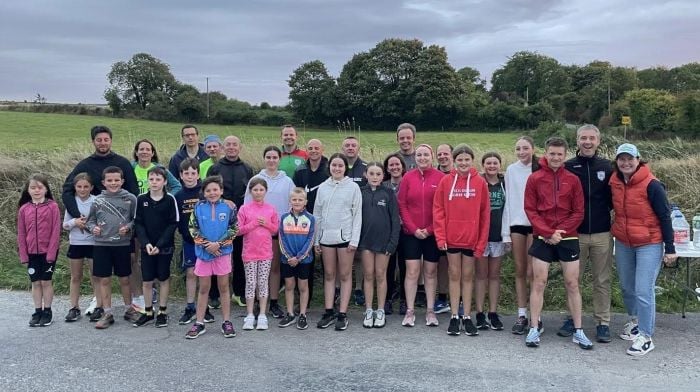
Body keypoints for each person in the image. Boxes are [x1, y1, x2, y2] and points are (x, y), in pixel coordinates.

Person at [61, 126, 140, 320]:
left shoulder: (122, 163)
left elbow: (134, 193)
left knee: (126, 270)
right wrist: (79, 216)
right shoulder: (85, 164)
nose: (102, 143)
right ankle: (103, 307)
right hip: (99, 234)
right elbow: (67, 189)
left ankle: (132, 305)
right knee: (100, 274)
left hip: (121, 230)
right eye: (99, 140)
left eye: (106, 139)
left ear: (111, 141)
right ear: (93, 142)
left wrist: (130, 225)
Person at [523, 137, 592, 350]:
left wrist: (559, 232)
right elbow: (530, 209)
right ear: (546, 153)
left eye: (559, 154)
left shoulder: (572, 179)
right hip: (543, 236)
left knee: (572, 283)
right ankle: (534, 327)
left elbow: (578, 211)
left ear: (564, 155)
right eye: (551, 153)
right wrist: (547, 232)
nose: (555, 157)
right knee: (539, 282)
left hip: (567, 236)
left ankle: (578, 330)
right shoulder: (535, 178)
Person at [609, 143, 677, 356]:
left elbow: (665, 217)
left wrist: (670, 248)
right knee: (628, 287)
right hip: (623, 242)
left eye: (630, 159)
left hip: (649, 243)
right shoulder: (615, 182)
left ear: (639, 160)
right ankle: (636, 321)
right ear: (617, 161)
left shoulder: (652, 184)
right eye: (622, 159)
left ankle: (646, 336)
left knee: (643, 290)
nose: (626, 163)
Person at [560, 124, 614, 343]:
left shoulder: (608, 166)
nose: (588, 142)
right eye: (583, 138)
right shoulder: (568, 166)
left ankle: (602, 322)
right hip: (575, 234)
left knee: (602, 279)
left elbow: (614, 199)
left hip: (602, 232)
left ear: (598, 141)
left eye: (592, 138)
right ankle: (573, 319)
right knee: (573, 279)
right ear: (577, 141)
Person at [433, 145, 490, 336]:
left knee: (467, 276)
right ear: (454, 161)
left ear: (472, 161)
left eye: (467, 159)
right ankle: (454, 316)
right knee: (454, 275)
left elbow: (484, 215)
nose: (463, 163)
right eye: (460, 160)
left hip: (471, 239)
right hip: (451, 238)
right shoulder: (445, 181)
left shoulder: (480, 182)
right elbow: (438, 210)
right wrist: (441, 237)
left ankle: (467, 316)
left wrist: (481, 242)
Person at [243, 146, 295, 319]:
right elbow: (246, 206)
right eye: (268, 157)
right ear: (264, 158)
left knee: (273, 268)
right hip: (255, 232)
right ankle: (257, 302)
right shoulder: (256, 179)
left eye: (275, 157)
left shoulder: (287, 181)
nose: (271, 160)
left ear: (279, 159)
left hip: (276, 230)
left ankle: (273, 301)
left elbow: (292, 204)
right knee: (256, 269)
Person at [185, 176, 239, 339]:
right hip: (204, 253)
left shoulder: (229, 207)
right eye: (208, 190)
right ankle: (199, 323)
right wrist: (208, 245)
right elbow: (193, 228)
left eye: (215, 189)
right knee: (203, 288)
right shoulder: (198, 208)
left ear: (221, 191)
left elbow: (234, 228)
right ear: (204, 193)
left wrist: (219, 245)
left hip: (222, 253)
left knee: (224, 287)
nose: (212, 193)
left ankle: (227, 321)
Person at [314, 153, 363, 331]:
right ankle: (328, 311)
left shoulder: (353, 188)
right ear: (330, 167)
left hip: (346, 239)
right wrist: (316, 240)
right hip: (326, 238)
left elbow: (357, 215)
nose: (337, 168)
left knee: (344, 275)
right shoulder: (323, 188)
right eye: (334, 165)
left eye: (340, 166)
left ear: (345, 168)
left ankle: (342, 313)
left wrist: (354, 241)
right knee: (329, 274)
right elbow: (317, 215)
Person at [398, 144, 444, 327]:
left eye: (426, 154)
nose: (422, 158)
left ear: (431, 156)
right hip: (411, 233)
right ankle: (410, 311)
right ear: (415, 158)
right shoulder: (408, 177)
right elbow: (402, 205)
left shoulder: (441, 178)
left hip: (432, 233)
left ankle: (430, 310)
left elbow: (442, 208)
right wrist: (414, 228)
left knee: (431, 272)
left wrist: (430, 229)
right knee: (412, 272)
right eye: (419, 155)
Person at [85, 166, 137, 330]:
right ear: (103, 182)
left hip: (122, 245)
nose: (113, 183)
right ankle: (107, 313)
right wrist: (93, 228)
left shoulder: (130, 199)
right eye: (110, 180)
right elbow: (90, 221)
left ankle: (129, 309)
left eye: (116, 180)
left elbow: (136, 220)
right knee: (104, 279)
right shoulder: (97, 200)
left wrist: (128, 227)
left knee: (125, 279)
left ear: (122, 181)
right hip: (102, 245)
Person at [208, 136, 254, 308]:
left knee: (240, 256)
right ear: (223, 148)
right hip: (218, 221)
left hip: (240, 222)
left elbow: (250, 195)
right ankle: (214, 294)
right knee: (217, 255)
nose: (231, 148)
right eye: (228, 145)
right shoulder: (215, 168)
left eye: (235, 145)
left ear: (240, 147)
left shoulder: (247, 169)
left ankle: (239, 292)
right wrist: (222, 201)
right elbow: (207, 193)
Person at [133, 167, 179, 328]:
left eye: (158, 179)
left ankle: (162, 311)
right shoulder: (141, 199)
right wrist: (146, 243)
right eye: (151, 179)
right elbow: (138, 223)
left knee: (163, 278)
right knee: (147, 280)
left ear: (165, 181)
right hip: (147, 247)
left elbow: (173, 223)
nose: (154, 182)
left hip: (164, 247)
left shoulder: (170, 199)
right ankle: (148, 312)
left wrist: (160, 245)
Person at [502, 136, 539, 335]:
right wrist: (505, 233)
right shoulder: (511, 170)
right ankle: (522, 314)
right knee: (520, 270)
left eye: (525, 148)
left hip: (535, 225)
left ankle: (536, 316)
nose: (522, 152)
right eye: (518, 148)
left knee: (533, 272)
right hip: (516, 224)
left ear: (532, 149)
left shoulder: (540, 168)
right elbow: (509, 200)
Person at [358, 162, 400, 328]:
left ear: (383, 176)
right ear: (366, 175)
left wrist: (392, 243)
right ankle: (369, 309)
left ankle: (380, 310)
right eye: (371, 173)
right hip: (366, 242)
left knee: (381, 275)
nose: (374, 177)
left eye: (378, 174)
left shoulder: (389, 193)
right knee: (368, 275)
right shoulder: (360, 193)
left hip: (384, 243)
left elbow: (395, 221)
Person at [174, 158, 215, 325]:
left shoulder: (204, 193)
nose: (190, 176)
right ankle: (190, 306)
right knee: (191, 273)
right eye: (186, 173)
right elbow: (177, 220)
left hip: (206, 242)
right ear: (181, 176)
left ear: (198, 174)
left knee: (205, 275)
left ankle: (204, 307)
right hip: (189, 241)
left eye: (193, 173)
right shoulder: (178, 196)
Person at [18, 174, 61, 327]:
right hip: (31, 253)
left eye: (40, 187)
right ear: (28, 190)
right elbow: (21, 233)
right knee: (36, 283)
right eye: (33, 187)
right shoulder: (24, 209)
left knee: (45, 281)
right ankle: (37, 311)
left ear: (46, 189)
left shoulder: (52, 206)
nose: (37, 190)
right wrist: (23, 254)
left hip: (48, 252)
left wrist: (51, 253)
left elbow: (56, 231)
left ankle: (47, 311)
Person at [238, 178, 279, 331]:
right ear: (250, 191)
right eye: (255, 190)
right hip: (249, 252)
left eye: (261, 190)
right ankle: (249, 314)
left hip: (265, 252)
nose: (258, 192)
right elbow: (239, 230)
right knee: (250, 283)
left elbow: (275, 229)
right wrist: (254, 224)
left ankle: (262, 314)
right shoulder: (244, 209)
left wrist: (265, 223)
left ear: (265, 191)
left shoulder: (271, 209)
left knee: (262, 282)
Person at [292, 138, 328, 306]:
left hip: (324, 221)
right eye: (310, 148)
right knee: (305, 258)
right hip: (303, 221)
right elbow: (296, 195)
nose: (313, 151)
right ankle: (304, 296)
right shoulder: (300, 171)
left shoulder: (328, 169)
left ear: (322, 150)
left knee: (326, 260)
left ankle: (331, 296)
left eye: (316, 148)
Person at [475, 152, 507, 331]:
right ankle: (479, 313)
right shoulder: (479, 183)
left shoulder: (504, 184)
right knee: (480, 275)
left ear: (499, 165)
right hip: (481, 236)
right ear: (483, 165)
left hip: (499, 235)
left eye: (495, 163)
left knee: (494, 275)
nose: (492, 166)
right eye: (488, 163)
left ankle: (493, 312)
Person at [62, 173, 100, 322]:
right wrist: (75, 223)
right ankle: (74, 307)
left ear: (91, 187)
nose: (82, 189)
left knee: (95, 276)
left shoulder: (96, 201)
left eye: (86, 186)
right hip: (76, 243)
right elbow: (65, 225)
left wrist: (91, 226)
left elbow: (101, 221)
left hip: (93, 243)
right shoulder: (72, 202)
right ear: (75, 188)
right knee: (76, 276)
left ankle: (98, 305)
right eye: (79, 187)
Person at [278, 188, 316, 330]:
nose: (297, 202)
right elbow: (281, 239)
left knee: (303, 287)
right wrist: (289, 257)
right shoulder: (284, 218)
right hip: (287, 259)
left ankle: (302, 314)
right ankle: (290, 314)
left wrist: (299, 257)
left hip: (304, 260)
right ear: (290, 201)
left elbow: (310, 240)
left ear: (305, 202)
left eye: (300, 200)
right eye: (294, 199)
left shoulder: (310, 219)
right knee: (289, 286)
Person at [342, 136, 367, 306]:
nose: (350, 148)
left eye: (353, 145)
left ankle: (358, 288)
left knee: (358, 255)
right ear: (342, 148)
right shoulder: (337, 166)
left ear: (358, 148)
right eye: (347, 145)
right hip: (341, 218)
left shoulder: (365, 168)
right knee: (340, 255)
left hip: (360, 217)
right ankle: (339, 288)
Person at [382, 153, 407, 316]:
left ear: (402, 166)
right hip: (387, 232)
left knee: (405, 267)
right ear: (387, 168)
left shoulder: (409, 182)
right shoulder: (383, 185)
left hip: (406, 231)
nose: (394, 167)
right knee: (388, 267)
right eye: (391, 165)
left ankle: (405, 300)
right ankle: (388, 299)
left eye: (397, 164)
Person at [434, 143, 454, 315]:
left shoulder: (462, 173)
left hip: (459, 226)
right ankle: (442, 298)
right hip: (440, 227)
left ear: (452, 155)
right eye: (439, 154)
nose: (442, 156)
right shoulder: (435, 175)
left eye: (445, 153)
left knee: (460, 266)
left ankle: (461, 300)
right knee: (442, 263)